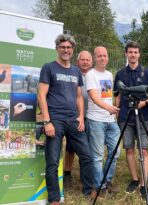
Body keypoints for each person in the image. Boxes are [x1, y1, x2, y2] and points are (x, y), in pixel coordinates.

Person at [37, 34, 94, 204]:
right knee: (53, 161)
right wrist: (47, 121)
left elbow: (78, 97)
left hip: (73, 119)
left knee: (87, 155)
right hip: (55, 120)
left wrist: (81, 117)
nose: (66, 50)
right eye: (63, 47)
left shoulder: (76, 71)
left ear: (72, 50)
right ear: (57, 48)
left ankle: (88, 189)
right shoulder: (48, 68)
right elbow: (41, 94)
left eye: (69, 47)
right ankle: (54, 198)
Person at [114, 41, 148, 202]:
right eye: (130, 52)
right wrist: (115, 110)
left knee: (144, 150)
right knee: (129, 149)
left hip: (143, 117)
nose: (133, 54)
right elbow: (117, 94)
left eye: (135, 52)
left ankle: (144, 185)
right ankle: (134, 179)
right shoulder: (120, 73)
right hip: (125, 117)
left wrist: (143, 103)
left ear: (139, 54)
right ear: (126, 54)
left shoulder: (147, 73)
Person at [86, 46, 121, 195]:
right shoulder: (90, 75)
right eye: (99, 56)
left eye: (105, 56)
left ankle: (106, 180)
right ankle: (99, 186)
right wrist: (109, 108)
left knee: (116, 151)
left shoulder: (109, 74)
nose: (103, 58)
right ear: (95, 58)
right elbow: (94, 97)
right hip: (96, 120)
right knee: (98, 156)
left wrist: (113, 107)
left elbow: (108, 95)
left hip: (110, 120)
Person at [63, 50, 93, 187]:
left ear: (91, 62)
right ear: (78, 61)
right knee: (70, 147)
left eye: (88, 60)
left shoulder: (94, 75)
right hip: (75, 117)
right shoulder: (72, 73)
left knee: (87, 148)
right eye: (83, 60)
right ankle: (67, 174)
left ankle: (85, 175)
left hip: (91, 116)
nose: (85, 62)